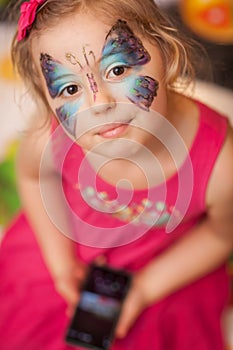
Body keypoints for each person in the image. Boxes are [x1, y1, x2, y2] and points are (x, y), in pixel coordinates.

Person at [0, 0, 233, 349]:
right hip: (67, 247)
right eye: (70, 88)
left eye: (118, 69)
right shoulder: (53, 137)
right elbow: (35, 177)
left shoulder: (221, 164)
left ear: (167, 50)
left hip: (165, 264)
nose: (100, 103)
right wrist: (60, 262)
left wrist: (146, 287)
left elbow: (221, 235)